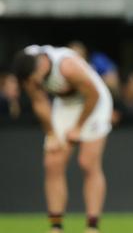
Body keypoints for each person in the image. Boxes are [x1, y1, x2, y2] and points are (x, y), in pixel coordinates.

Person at [13, 45, 113, 233]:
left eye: (35, 77)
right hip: (66, 104)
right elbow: (40, 102)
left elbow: (93, 95)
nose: (33, 82)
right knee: (52, 162)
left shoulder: (68, 67)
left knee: (87, 162)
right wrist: (51, 134)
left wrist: (77, 128)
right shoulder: (27, 69)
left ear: (42, 65)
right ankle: (56, 226)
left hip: (94, 104)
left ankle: (92, 226)